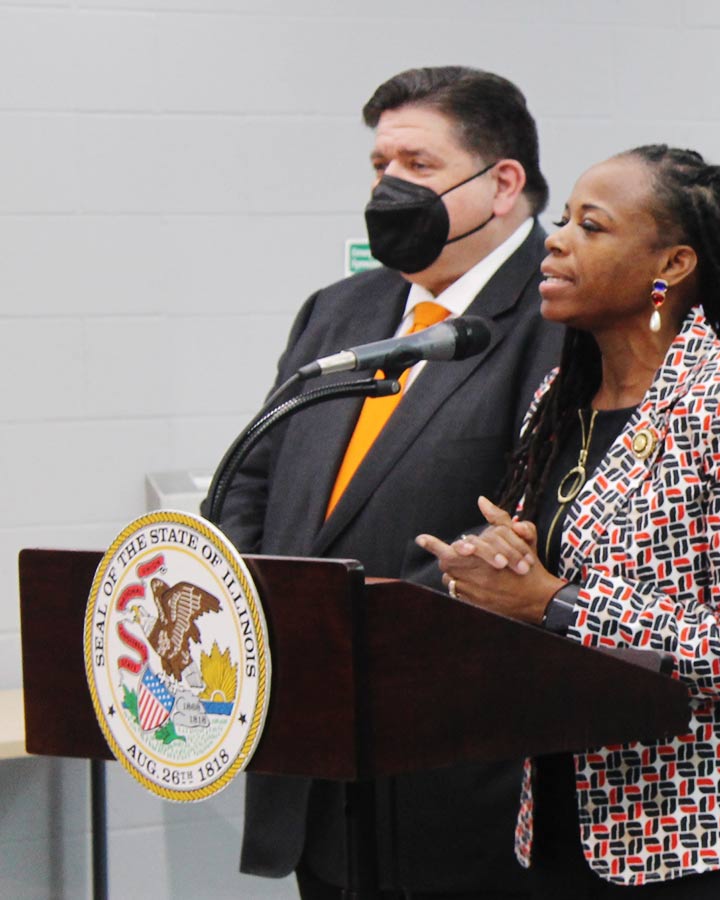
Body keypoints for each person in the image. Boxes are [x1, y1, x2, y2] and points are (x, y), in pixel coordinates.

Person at [416, 144, 720, 896]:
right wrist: (497, 570)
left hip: (719, 841)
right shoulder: (562, 398)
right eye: (563, 221)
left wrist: (555, 602)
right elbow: (555, 578)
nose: (556, 239)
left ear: (672, 266)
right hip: (564, 825)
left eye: (593, 226)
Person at [220, 66, 563, 898]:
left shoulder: (559, 320)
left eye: (418, 164)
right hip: (313, 746)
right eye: (380, 166)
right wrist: (261, 611)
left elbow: (535, 523)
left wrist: (356, 637)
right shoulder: (339, 311)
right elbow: (250, 483)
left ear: (503, 184)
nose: (390, 186)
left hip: (454, 761)